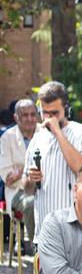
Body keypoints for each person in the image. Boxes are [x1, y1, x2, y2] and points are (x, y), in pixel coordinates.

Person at [24, 81, 82, 244]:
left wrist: (58, 133)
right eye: (45, 113)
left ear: (67, 110)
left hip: (75, 235)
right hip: (44, 235)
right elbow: (26, 189)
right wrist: (31, 179)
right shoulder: (37, 138)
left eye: (55, 113)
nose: (49, 118)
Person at [0, 98, 39, 247]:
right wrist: (29, 165)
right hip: (18, 191)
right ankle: (39, 248)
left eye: (33, 114)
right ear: (16, 117)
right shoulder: (7, 138)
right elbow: (8, 179)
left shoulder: (45, 133)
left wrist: (20, 168)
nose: (30, 119)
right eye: (25, 115)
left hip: (45, 187)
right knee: (31, 203)